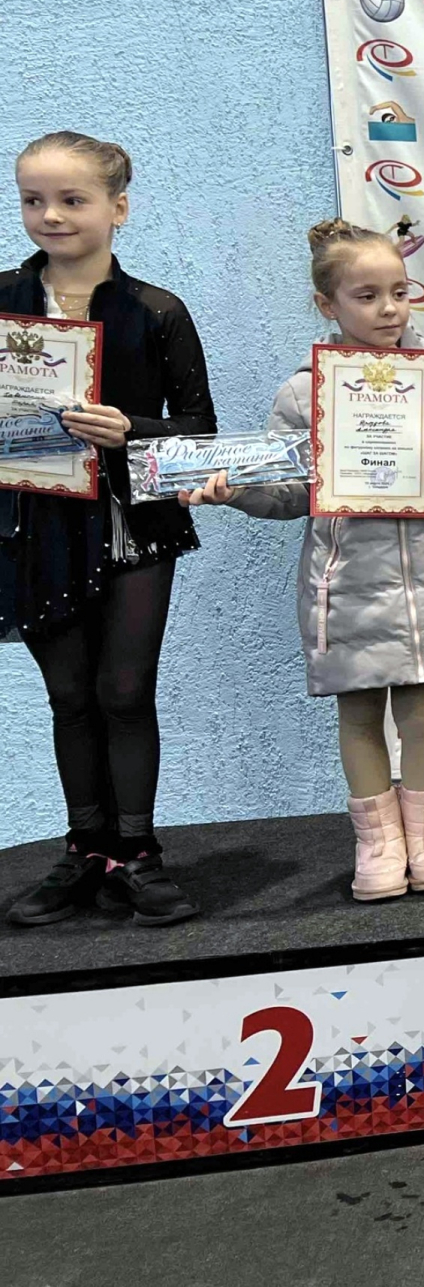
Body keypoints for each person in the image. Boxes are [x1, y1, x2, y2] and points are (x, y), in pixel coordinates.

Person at [186, 220, 424, 900]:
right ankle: (378, 844)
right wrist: (236, 491)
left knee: (422, 712)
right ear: (328, 304)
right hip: (344, 584)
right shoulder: (303, 394)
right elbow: (289, 492)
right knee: (358, 714)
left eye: (399, 292)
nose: (389, 309)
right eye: (366, 295)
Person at [3, 132, 216, 928]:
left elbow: (199, 428)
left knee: (124, 691)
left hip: (133, 523)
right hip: (33, 521)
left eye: (72, 199)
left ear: (118, 208)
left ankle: (138, 853)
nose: (51, 215)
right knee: (68, 695)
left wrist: (133, 430)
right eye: (33, 200)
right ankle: (84, 849)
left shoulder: (157, 310)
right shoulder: (2, 302)